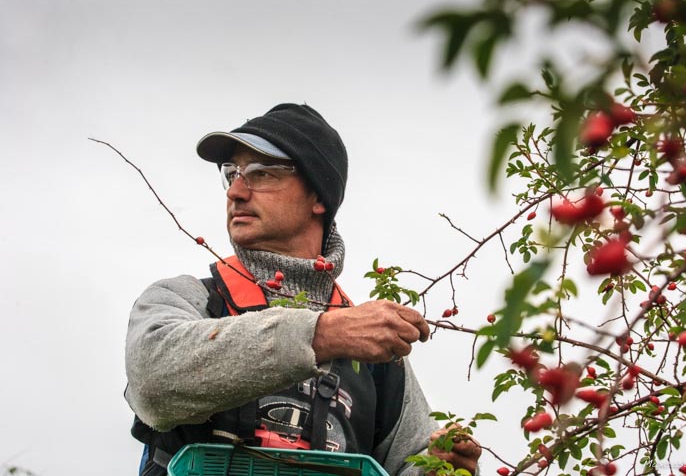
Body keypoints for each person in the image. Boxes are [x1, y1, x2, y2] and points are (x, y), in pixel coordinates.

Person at [124, 103, 481, 476]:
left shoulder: (377, 359)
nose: (237, 192)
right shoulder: (187, 300)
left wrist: (439, 468)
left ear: (319, 197)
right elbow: (153, 382)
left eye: (261, 173)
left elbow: (410, 462)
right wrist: (321, 334)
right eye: (231, 174)